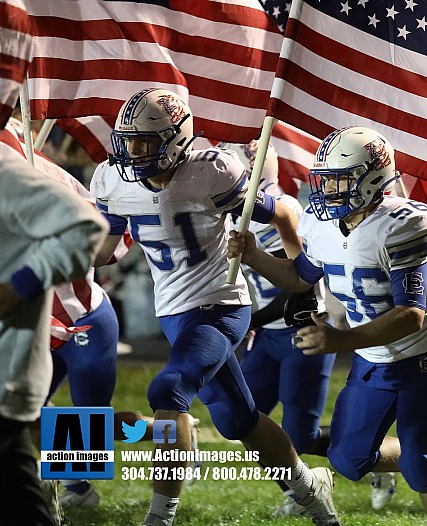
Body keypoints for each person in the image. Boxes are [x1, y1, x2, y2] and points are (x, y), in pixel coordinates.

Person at [89, 88, 341, 526]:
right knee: (237, 420)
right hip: (172, 312)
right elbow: (107, 248)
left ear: (176, 139)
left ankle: (156, 516)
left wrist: (296, 268)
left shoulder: (210, 172)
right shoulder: (112, 179)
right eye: (128, 141)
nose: (134, 152)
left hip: (219, 304)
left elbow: (282, 210)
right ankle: (309, 487)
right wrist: (59, 253)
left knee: (167, 390)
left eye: (146, 142)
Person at [229, 126, 427, 526]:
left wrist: (341, 339)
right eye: (326, 180)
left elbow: (412, 314)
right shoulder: (323, 224)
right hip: (375, 353)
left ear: (373, 178)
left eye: (340, 179)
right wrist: (253, 256)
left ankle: (425, 461)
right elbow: (300, 277)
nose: (329, 189)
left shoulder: (403, 223)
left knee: (419, 471)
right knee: (347, 460)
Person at [224, 140, 337, 516]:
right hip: (268, 334)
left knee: (300, 433)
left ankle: (375, 459)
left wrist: (247, 319)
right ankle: (300, 488)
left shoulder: (284, 209)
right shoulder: (232, 211)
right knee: (243, 419)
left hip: (298, 328)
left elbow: (300, 285)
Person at [0, 149, 108, 526]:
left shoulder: (15, 166)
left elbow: (90, 229)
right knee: (37, 423)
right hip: (46, 329)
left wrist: (17, 287)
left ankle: (164, 429)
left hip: (85, 321)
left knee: (92, 425)